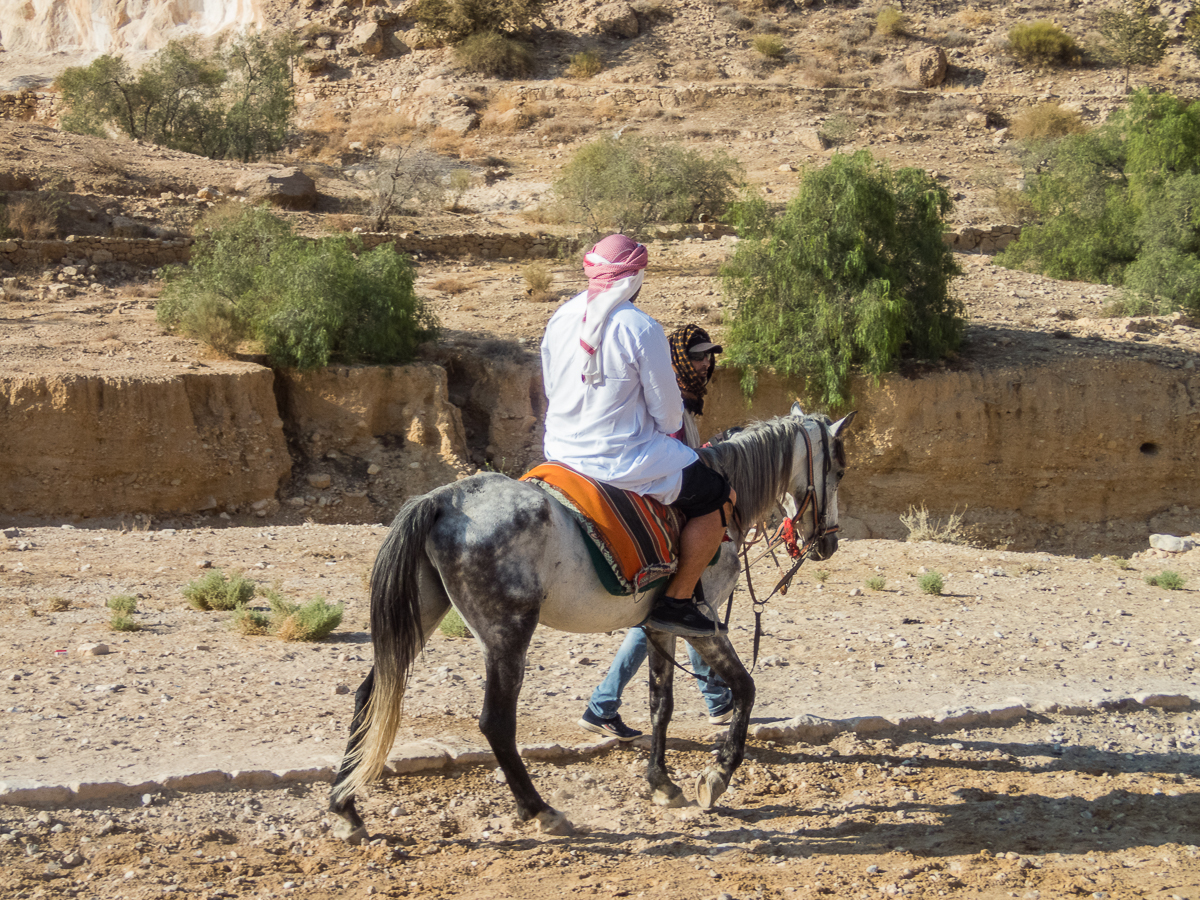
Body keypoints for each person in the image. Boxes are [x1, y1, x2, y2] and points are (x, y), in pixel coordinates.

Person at [541, 234, 736, 641]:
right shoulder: (641, 327)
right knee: (719, 495)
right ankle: (678, 600)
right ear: (637, 278)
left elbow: (550, 386)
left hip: (558, 453)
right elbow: (667, 417)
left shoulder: (560, 317)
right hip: (621, 457)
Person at [578, 324, 733, 740]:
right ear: (679, 359)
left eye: (709, 355)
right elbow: (667, 463)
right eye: (698, 355)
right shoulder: (670, 403)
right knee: (681, 606)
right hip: (663, 513)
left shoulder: (685, 402)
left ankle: (604, 705)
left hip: (668, 508)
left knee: (670, 612)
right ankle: (718, 701)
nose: (706, 362)